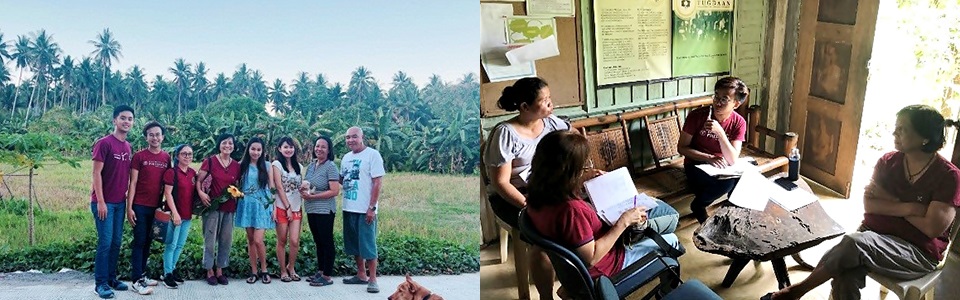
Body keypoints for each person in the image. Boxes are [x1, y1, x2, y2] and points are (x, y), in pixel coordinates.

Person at [762, 105, 960, 300]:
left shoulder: (948, 176)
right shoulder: (888, 161)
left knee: (853, 243)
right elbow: (870, 205)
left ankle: (794, 292)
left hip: (915, 252)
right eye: (896, 127)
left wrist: (890, 203)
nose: (894, 133)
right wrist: (911, 207)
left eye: (902, 129)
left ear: (924, 138)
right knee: (846, 272)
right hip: (874, 235)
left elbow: (931, 228)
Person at [526, 131, 681, 289]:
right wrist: (623, 222)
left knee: (652, 217)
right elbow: (591, 258)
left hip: (577, 261)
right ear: (570, 171)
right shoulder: (571, 210)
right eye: (582, 167)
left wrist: (582, 181)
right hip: (605, 270)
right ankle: (667, 292)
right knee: (671, 239)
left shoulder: (536, 191)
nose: (584, 170)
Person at [482, 77, 570, 299]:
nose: (551, 103)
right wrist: (528, 205)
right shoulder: (506, 133)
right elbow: (500, 183)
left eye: (550, 98)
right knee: (543, 235)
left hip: (545, 189)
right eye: (544, 100)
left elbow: (574, 140)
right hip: (512, 196)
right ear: (524, 107)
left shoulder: (551, 124)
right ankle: (544, 295)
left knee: (576, 218)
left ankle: (573, 281)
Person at [677, 76, 749, 224]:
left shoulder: (739, 122)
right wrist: (708, 158)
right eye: (716, 96)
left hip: (722, 166)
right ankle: (699, 205)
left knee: (742, 180)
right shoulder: (697, 116)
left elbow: (732, 159)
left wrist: (721, 133)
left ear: (736, 104)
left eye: (724, 99)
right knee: (726, 184)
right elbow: (682, 148)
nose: (717, 102)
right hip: (696, 163)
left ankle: (733, 215)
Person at [90, 105, 135, 299]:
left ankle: (111, 279)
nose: (126, 122)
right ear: (114, 121)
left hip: (119, 203)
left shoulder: (128, 146)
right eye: (123, 118)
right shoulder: (104, 143)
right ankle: (100, 283)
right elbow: (96, 173)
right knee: (106, 242)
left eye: (130, 119)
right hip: (104, 203)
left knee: (116, 242)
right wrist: (100, 201)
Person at [125, 121, 170, 295]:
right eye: (151, 134)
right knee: (139, 242)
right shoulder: (139, 156)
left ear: (162, 137)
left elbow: (168, 184)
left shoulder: (166, 158)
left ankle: (142, 275)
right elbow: (133, 182)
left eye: (158, 134)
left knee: (148, 242)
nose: (155, 137)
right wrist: (130, 208)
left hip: (156, 207)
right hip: (140, 206)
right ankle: (136, 280)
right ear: (146, 137)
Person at [339, 127, 386, 293]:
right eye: (347, 137)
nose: (351, 140)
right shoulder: (345, 158)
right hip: (348, 207)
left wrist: (372, 207)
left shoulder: (372, 155)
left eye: (354, 137)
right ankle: (361, 274)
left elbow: (377, 182)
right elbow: (340, 179)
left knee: (368, 245)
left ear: (362, 137)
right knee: (354, 245)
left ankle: (372, 279)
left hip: (365, 209)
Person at [196, 133, 241, 286]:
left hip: (229, 208)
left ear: (234, 146)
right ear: (219, 145)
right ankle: (209, 270)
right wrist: (201, 193)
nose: (227, 146)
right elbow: (199, 180)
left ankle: (220, 269)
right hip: (212, 207)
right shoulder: (210, 161)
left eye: (230, 143)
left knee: (226, 239)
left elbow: (238, 185)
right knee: (210, 238)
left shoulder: (236, 165)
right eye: (224, 143)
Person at [234, 137, 275, 284]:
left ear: (262, 151)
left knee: (258, 240)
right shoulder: (241, 166)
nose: (256, 152)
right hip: (246, 205)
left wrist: (273, 207)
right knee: (251, 240)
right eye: (253, 149)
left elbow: (271, 187)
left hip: (263, 206)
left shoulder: (268, 166)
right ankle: (254, 271)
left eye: (259, 150)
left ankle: (264, 270)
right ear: (248, 150)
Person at [302, 136, 341, 287]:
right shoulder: (312, 165)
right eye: (317, 146)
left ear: (329, 150)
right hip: (311, 209)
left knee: (327, 242)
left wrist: (313, 196)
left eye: (323, 147)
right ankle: (320, 271)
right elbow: (308, 183)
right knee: (318, 242)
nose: (319, 149)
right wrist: (303, 189)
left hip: (325, 210)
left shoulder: (331, 166)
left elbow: (335, 190)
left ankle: (327, 275)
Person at [160, 144, 197, 289]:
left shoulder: (193, 173)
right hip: (174, 215)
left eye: (190, 154)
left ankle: (172, 269)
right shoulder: (171, 173)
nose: (187, 156)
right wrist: (175, 213)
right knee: (171, 245)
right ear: (177, 156)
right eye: (184, 154)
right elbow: (167, 193)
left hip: (187, 215)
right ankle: (167, 274)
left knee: (180, 245)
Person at [271, 136, 305, 282]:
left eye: (291, 147)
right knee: (282, 240)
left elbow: (301, 186)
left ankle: (292, 267)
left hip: (297, 207)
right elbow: (278, 187)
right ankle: (283, 270)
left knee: (295, 240)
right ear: (280, 149)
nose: (288, 149)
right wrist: (288, 207)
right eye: (285, 147)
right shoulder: (276, 164)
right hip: (281, 207)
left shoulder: (300, 166)